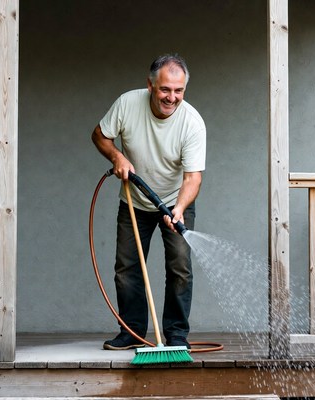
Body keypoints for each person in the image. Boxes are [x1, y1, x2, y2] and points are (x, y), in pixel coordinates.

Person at [92, 54, 206, 350]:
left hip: (174, 202)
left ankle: (177, 334)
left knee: (180, 267)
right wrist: (117, 156)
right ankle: (132, 331)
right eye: (165, 89)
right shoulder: (128, 104)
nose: (172, 97)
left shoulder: (192, 123)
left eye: (178, 91)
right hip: (135, 201)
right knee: (127, 267)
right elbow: (100, 136)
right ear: (150, 85)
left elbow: (193, 178)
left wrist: (179, 209)